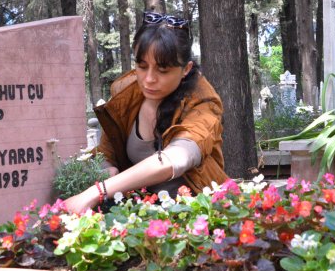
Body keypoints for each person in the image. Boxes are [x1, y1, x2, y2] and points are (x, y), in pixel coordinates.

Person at [65, 11, 228, 214]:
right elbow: (107, 153)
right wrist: (107, 168)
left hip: (199, 217)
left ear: (186, 69)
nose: (149, 79)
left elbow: (176, 159)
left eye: (163, 70)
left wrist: (98, 191)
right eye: (142, 66)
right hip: (137, 216)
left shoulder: (204, 102)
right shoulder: (126, 95)